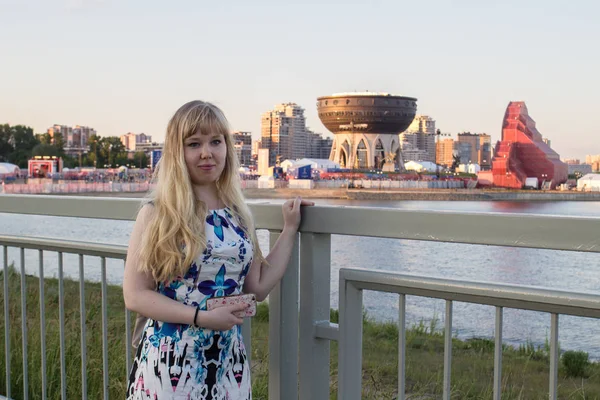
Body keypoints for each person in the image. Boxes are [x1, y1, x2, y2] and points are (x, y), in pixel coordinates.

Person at [123, 100, 313, 399]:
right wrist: (201, 317)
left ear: (227, 147)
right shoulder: (157, 213)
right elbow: (135, 295)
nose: (206, 152)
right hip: (170, 363)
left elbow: (258, 287)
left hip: (227, 363)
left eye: (215, 141)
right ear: (177, 152)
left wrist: (289, 228)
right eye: (194, 144)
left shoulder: (238, 214)